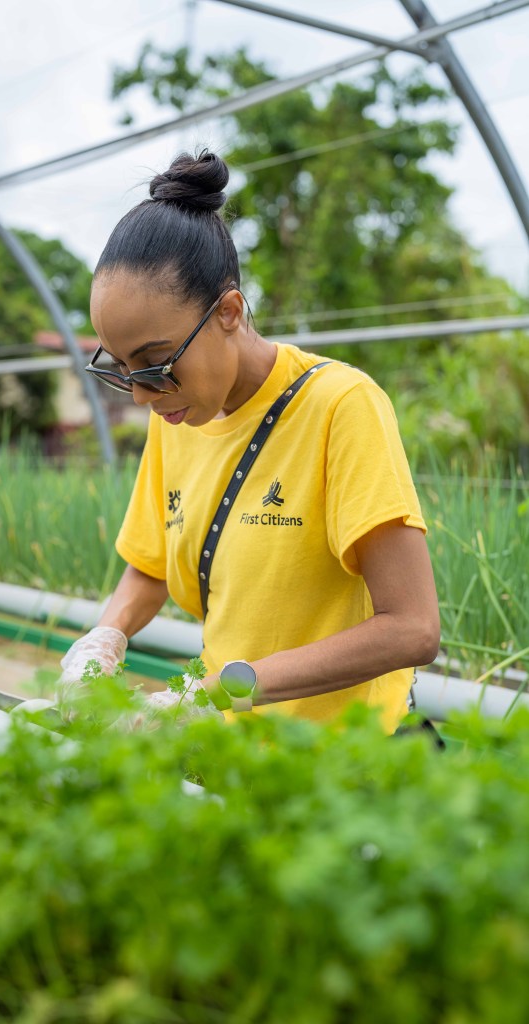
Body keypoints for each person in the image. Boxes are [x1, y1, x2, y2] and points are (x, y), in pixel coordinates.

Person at [57, 150, 440, 734]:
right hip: (233, 758)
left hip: (346, 765)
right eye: (124, 369)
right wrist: (104, 637)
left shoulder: (340, 406)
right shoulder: (176, 413)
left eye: (156, 364)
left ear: (230, 311)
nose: (142, 396)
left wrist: (214, 694)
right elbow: (151, 567)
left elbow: (412, 627)